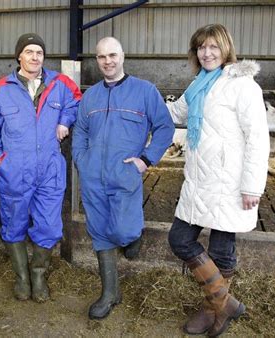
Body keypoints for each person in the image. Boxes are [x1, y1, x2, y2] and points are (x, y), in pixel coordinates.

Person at [167, 24, 270, 336]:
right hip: (198, 179)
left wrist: (252, 186)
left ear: (226, 48)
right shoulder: (199, 84)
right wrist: (139, 104)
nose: (206, 53)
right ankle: (224, 304)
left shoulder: (243, 85)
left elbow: (258, 138)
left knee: (222, 249)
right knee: (180, 239)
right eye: (201, 47)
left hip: (230, 182)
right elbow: (174, 113)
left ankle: (213, 308)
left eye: (213, 47)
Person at [72, 37, 175, 319]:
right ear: (97, 60)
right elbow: (79, 131)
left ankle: (132, 237)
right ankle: (110, 293)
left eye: (113, 55)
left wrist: (145, 159)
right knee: (99, 233)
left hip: (124, 175)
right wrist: (82, 159)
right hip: (93, 176)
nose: (108, 61)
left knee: (122, 230)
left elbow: (165, 127)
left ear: (123, 56)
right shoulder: (90, 96)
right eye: (102, 56)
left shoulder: (144, 91)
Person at [0, 33, 81, 303]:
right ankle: (21, 278)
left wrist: (65, 120)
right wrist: (1, 160)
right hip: (15, 170)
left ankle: (38, 275)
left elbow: (76, 100)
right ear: (19, 56)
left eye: (39, 52)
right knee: (14, 224)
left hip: (49, 169)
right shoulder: (1, 89)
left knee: (49, 226)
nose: (35, 56)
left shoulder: (60, 83)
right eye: (29, 52)